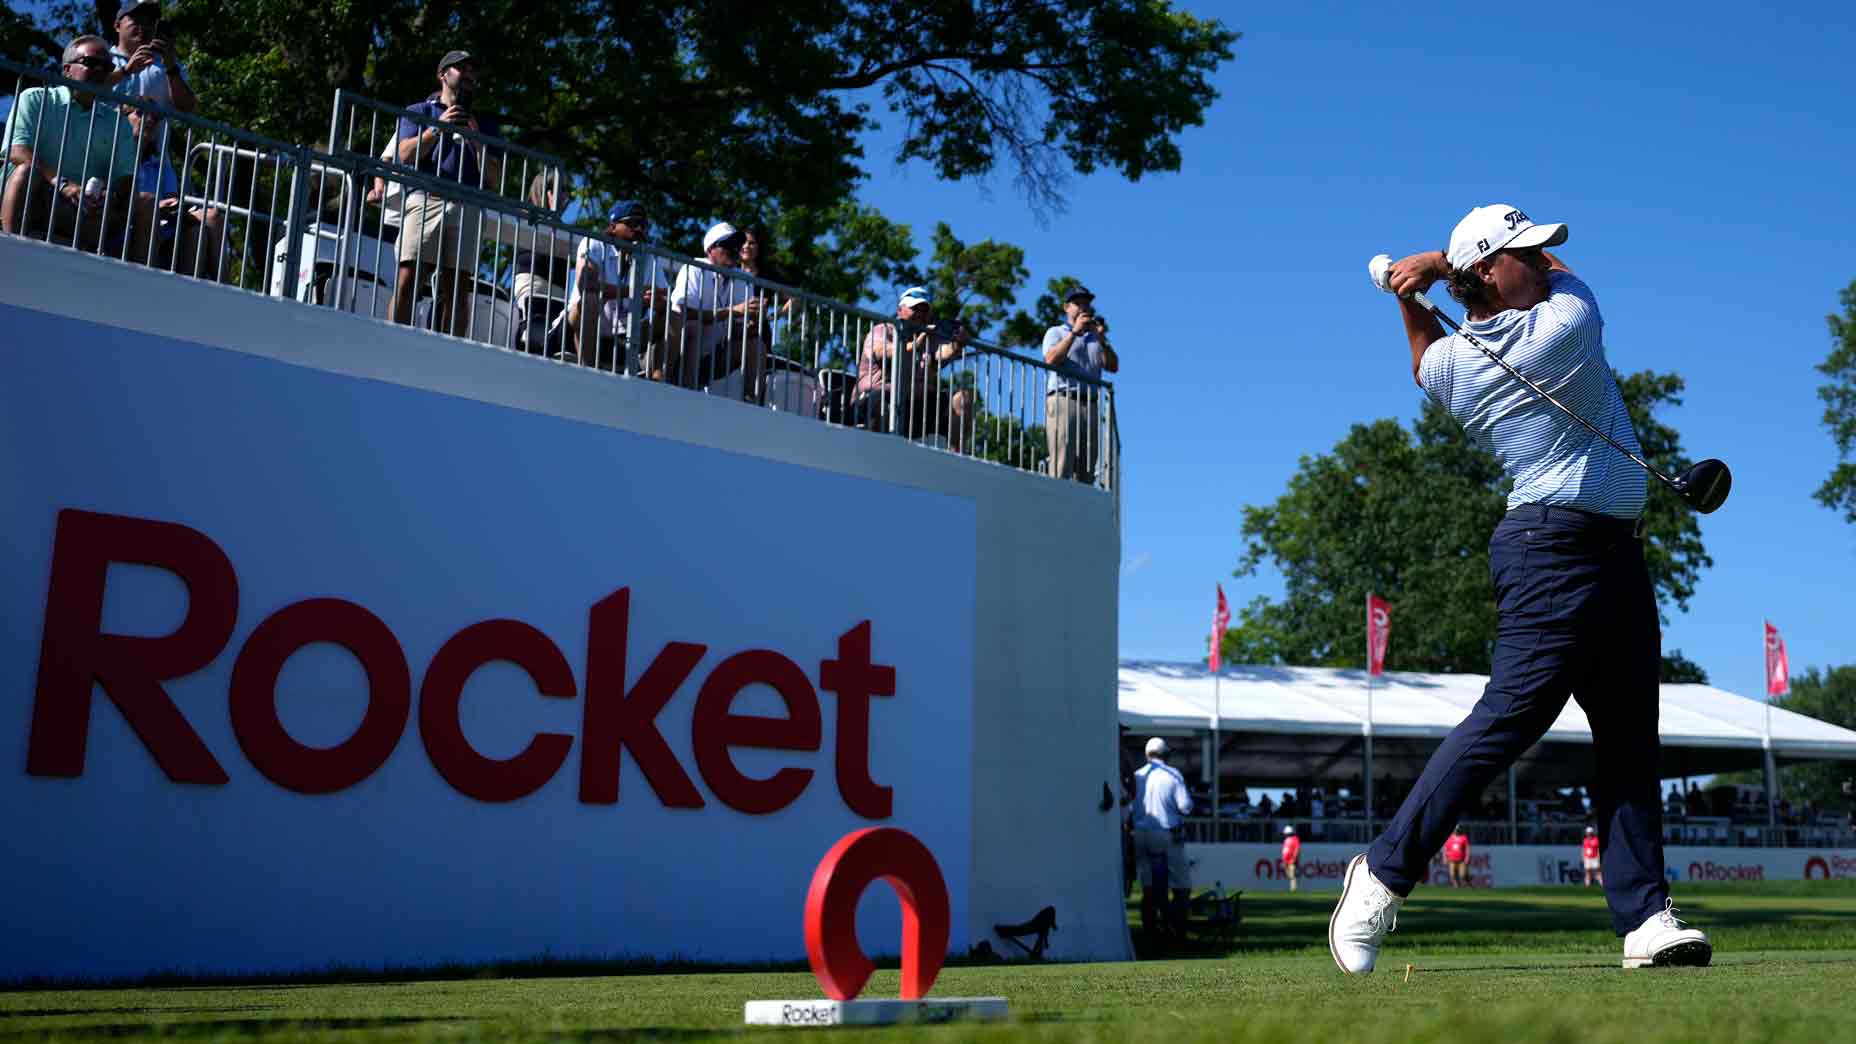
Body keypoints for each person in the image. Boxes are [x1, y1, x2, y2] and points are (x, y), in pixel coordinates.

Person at [1329, 204, 1711, 974]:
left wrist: (1414, 287)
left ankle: (1645, 920)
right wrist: (1440, 265)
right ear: (1490, 275)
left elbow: (1421, 358)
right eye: (1525, 255)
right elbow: (1576, 284)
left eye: (1540, 253)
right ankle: (1380, 872)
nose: (1544, 263)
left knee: (1631, 742)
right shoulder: (1561, 329)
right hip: (1550, 553)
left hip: (1613, 556)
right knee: (1510, 719)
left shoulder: (1456, 368)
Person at [389, 50, 503, 338]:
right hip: (426, 199)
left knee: (458, 286)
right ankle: (391, 340)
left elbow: (494, 179)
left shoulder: (486, 124)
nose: (469, 74)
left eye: (473, 70)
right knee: (409, 277)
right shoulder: (419, 111)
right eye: (461, 68)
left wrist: (478, 143)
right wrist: (437, 130)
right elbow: (404, 154)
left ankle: (448, 351)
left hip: (467, 206)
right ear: (442, 74)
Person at [2, 36, 150, 255]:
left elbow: (126, 176)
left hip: (83, 207)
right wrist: (63, 184)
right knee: (26, 172)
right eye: (91, 63)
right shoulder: (34, 98)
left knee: (145, 201)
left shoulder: (118, 122)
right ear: (67, 69)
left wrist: (111, 194)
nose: (100, 70)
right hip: (37, 194)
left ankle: (139, 284)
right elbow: (18, 151)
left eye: (106, 66)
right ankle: (10, 251)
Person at [849, 286, 976, 453]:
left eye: (925, 310)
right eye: (915, 308)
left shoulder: (926, 338)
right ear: (900, 310)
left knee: (962, 399)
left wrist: (958, 343)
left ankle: (955, 456)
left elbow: (942, 354)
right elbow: (882, 351)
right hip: (872, 403)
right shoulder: (883, 329)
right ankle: (876, 455)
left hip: (912, 409)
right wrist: (914, 346)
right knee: (880, 400)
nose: (920, 314)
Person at [122, 99, 229, 280]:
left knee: (211, 219)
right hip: (130, 218)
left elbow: (172, 200)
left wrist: (169, 205)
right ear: (124, 117)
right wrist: (155, 203)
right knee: (152, 212)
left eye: (156, 118)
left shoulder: (161, 164)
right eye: (141, 113)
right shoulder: (113, 152)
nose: (149, 120)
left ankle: (219, 291)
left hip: (164, 220)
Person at [562, 200, 668, 369]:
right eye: (633, 223)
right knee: (590, 298)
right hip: (580, 322)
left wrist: (657, 301)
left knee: (673, 314)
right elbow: (587, 284)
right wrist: (634, 291)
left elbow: (665, 296)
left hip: (624, 331)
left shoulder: (648, 256)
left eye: (644, 225)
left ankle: (657, 376)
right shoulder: (595, 243)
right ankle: (588, 370)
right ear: (612, 227)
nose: (640, 229)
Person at [666, 221, 761, 393]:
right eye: (727, 245)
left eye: (736, 245)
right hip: (677, 354)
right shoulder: (694, 268)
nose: (734, 249)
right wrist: (733, 311)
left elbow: (739, 328)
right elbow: (684, 313)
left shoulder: (743, 279)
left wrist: (751, 325)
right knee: (695, 327)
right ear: (710, 250)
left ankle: (753, 401)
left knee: (756, 343)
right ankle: (687, 391)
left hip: (711, 357)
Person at [1041, 284, 1119, 482]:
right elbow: (1051, 359)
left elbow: (1113, 366)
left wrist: (1102, 340)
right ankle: (1056, 502)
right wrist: (1074, 333)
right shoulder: (1055, 332)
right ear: (1066, 307)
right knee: (1062, 460)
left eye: (1086, 304)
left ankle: (1081, 506)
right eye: (1077, 303)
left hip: (1090, 404)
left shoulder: (1095, 338)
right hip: (1064, 400)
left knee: (1087, 465)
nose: (1083, 307)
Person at [1129, 737, 1193, 942]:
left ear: (1147, 754)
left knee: (1149, 888)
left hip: (1140, 834)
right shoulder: (1173, 774)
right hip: (1167, 834)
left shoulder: (1137, 775)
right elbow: (1185, 807)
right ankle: (1178, 933)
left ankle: (1151, 934)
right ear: (1166, 754)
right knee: (1181, 886)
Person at [106, 0, 196, 114]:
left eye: (150, 22)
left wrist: (171, 69)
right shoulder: (104, 59)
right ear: (117, 26)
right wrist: (125, 71)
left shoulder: (168, 64)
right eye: (136, 20)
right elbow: (87, 89)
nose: (144, 27)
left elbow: (188, 108)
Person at [1280, 825, 1302, 893]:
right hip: (1286, 860)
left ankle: (1293, 889)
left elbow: (1297, 849)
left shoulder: (1295, 839)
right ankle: (1293, 887)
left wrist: (1295, 858)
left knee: (1292, 875)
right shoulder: (1286, 840)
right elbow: (1284, 850)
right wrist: (1283, 860)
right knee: (1288, 875)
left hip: (1292, 860)